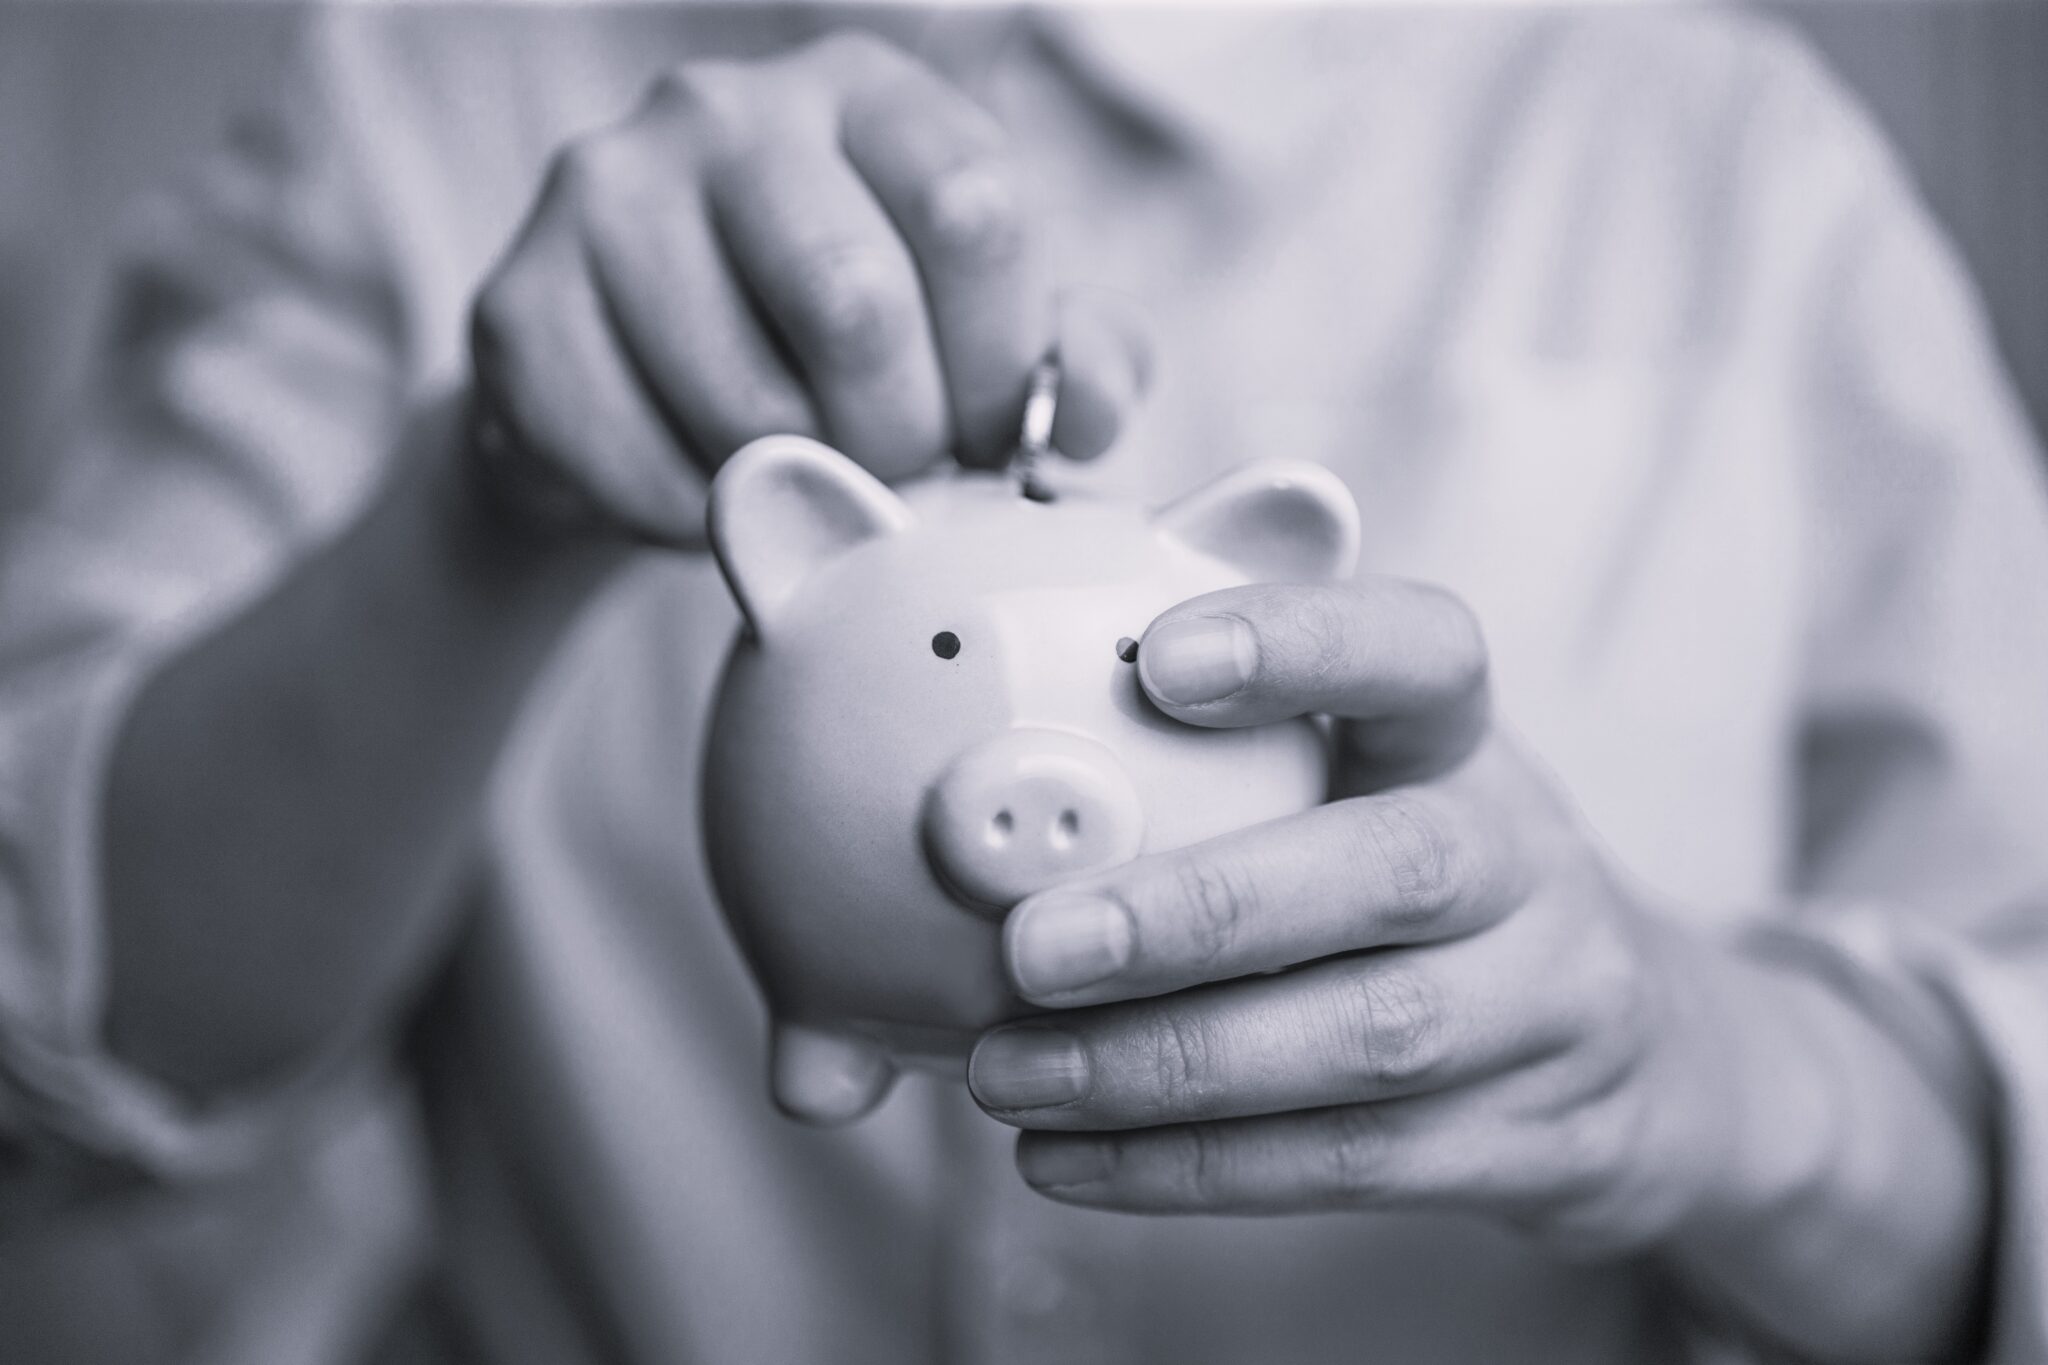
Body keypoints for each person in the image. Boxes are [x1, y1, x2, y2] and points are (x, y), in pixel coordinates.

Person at [2, 6, 2044, 1363]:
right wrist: (477, 506)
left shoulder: (1715, 156)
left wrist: (1711, 1068)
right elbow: (36, 1079)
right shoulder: (424, 95)